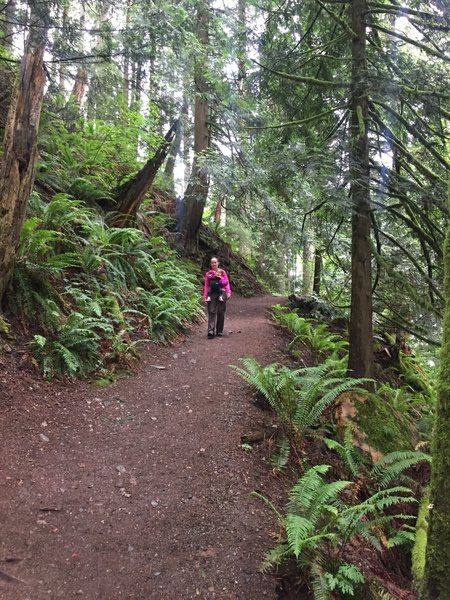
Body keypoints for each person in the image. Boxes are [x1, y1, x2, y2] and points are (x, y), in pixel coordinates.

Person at [204, 257, 231, 338]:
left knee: (220, 312)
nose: (214, 264)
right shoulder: (208, 274)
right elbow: (206, 285)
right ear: (210, 264)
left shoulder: (222, 272)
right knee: (211, 311)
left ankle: (219, 331)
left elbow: (226, 283)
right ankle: (211, 331)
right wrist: (205, 296)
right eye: (212, 262)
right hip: (212, 293)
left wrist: (228, 292)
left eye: (215, 262)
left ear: (218, 263)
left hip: (222, 292)